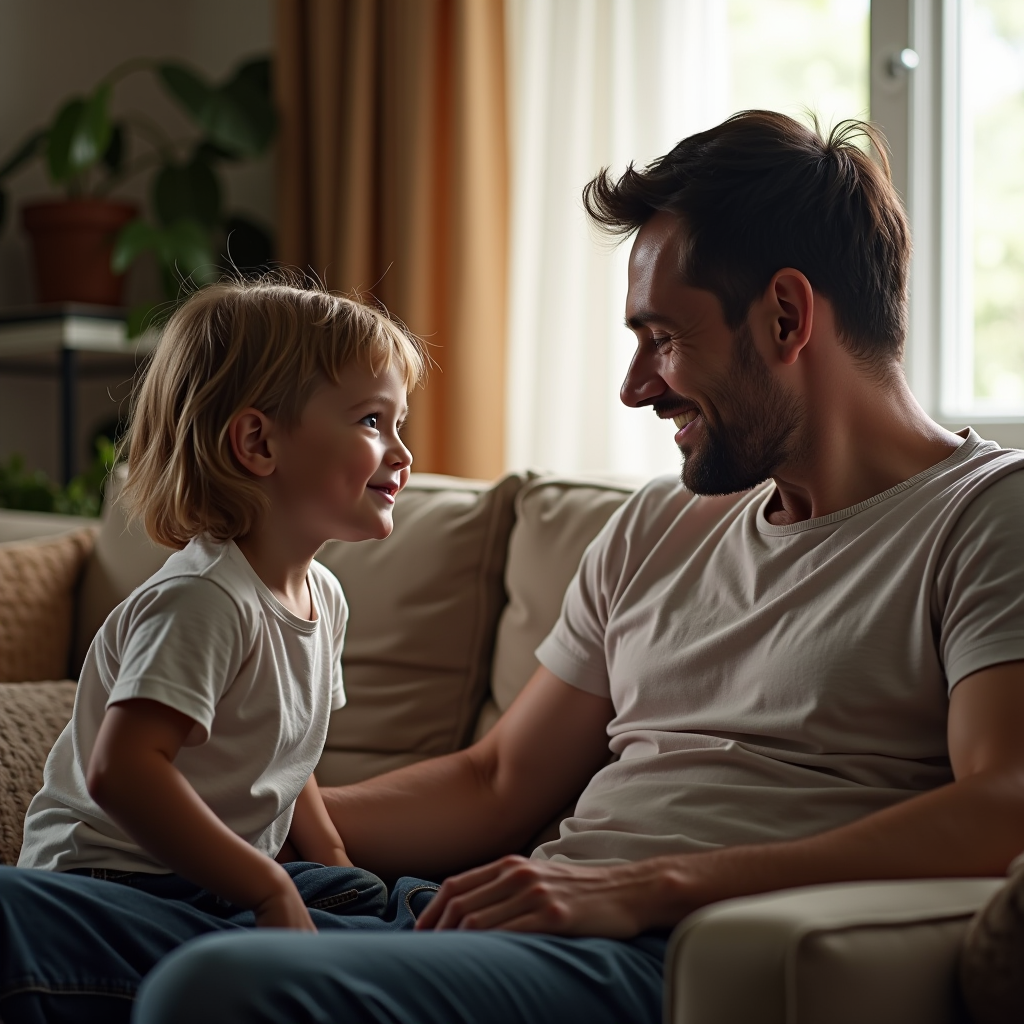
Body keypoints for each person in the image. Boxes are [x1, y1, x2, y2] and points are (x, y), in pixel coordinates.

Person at [4, 110, 1024, 1024]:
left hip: (672, 951)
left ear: (787, 317)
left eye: (662, 339)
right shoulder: (659, 526)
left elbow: (1005, 800)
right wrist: (194, 834)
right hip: (508, 920)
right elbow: (497, 779)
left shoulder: (987, 515)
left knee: (218, 988)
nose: (634, 388)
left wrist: (652, 883)